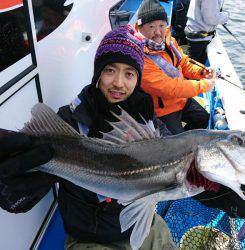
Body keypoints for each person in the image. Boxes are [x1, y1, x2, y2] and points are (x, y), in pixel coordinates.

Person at [0, 25, 177, 250]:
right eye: (110, 70)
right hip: (91, 238)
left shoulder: (146, 117)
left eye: (129, 73)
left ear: (137, 78)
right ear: (98, 73)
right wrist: (13, 189)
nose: (119, 83)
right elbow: (19, 198)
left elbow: (177, 155)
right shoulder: (69, 120)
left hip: (144, 226)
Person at [136, 0, 215, 135]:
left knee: (203, 118)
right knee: (177, 141)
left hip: (181, 99)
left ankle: (189, 140)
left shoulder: (170, 42)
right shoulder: (139, 56)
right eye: (151, 27)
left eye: (161, 25)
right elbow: (170, 88)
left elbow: (184, 62)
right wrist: (204, 85)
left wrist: (202, 71)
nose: (158, 32)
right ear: (140, 28)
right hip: (162, 110)